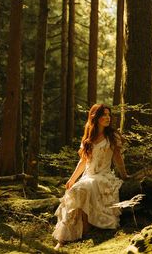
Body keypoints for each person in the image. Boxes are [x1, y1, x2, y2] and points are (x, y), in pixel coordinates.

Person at [52, 103, 129, 250]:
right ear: (96, 117)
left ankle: (85, 232)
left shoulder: (112, 136)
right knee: (75, 190)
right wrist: (72, 179)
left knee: (84, 188)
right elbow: (83, 161)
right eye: (104, 115)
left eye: (109, 115)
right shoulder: (89, 137)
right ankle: (64, 238)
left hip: (104, 176)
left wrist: (124, 175)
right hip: (88, 176)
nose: (108, 118)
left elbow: (118, 158)